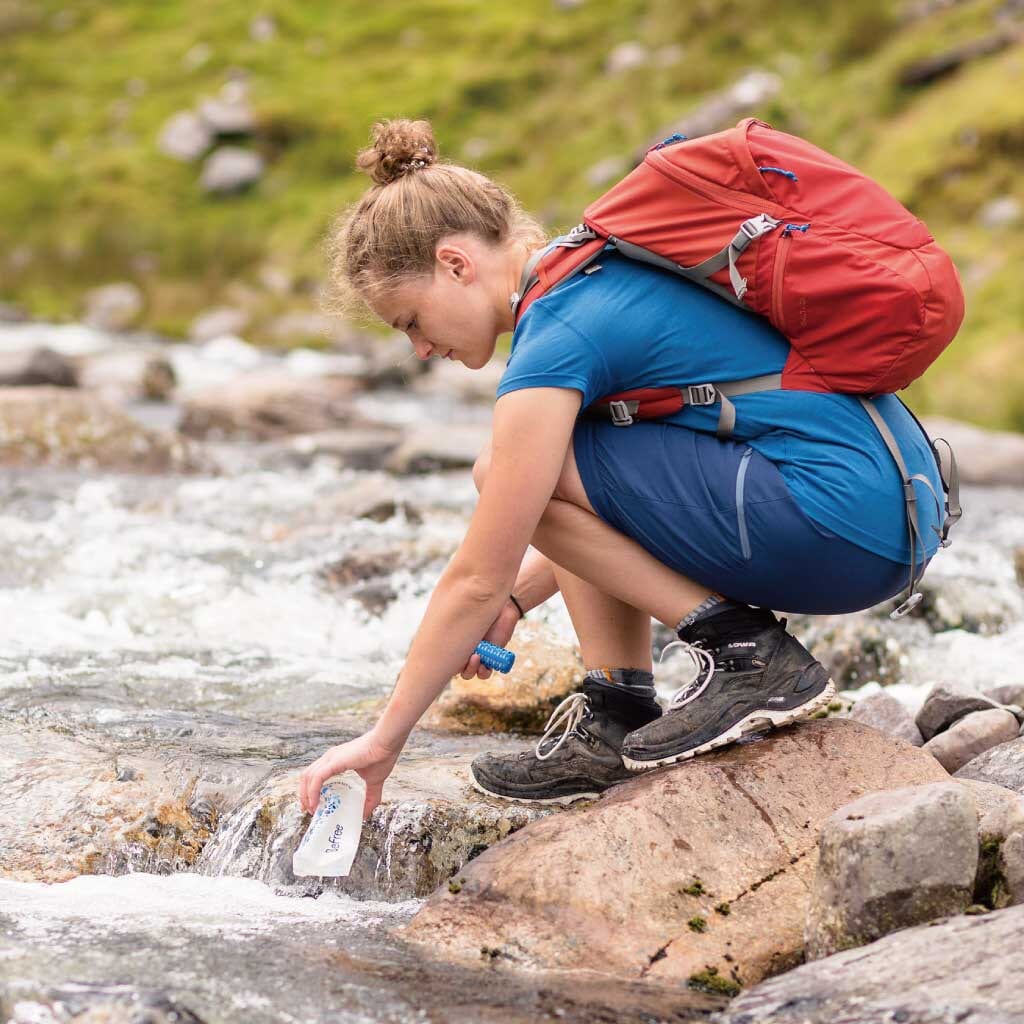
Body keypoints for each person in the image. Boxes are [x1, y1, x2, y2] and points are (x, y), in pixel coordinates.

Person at [296, 118, 944, 817]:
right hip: (887, 512)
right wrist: (519, 599)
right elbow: (621, 509)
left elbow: (476, 573)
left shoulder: (560, 332)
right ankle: (617, 710)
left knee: (506, 472)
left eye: (411, 321)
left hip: (836, 519)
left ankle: (744, 655)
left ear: (456, 264)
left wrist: (384, 741)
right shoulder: (594, 274)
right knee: (548, 462)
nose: (421, 348)